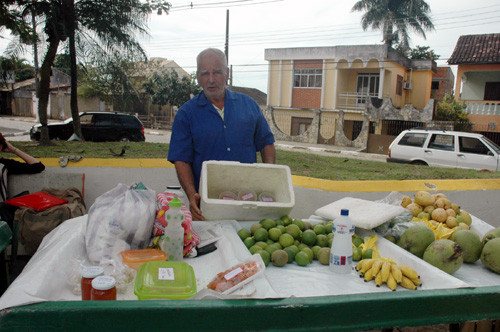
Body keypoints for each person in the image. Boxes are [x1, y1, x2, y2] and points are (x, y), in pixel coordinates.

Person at [168, 48, 276, 220]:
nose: (211, 79)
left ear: (227, 73)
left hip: (248, 202)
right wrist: (191, 195)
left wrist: (268, 175)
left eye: (217, 72)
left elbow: (266, 142)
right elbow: (181, 159)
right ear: (197, 77)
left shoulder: (249, 105)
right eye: (205, 73)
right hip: (209, 206)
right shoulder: (186, 114)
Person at [0, 132, 45, 225]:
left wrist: (13, 149)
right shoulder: (3, 166)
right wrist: (13, 149)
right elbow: (37, 166)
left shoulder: (4, 165)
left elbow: (38, 167)